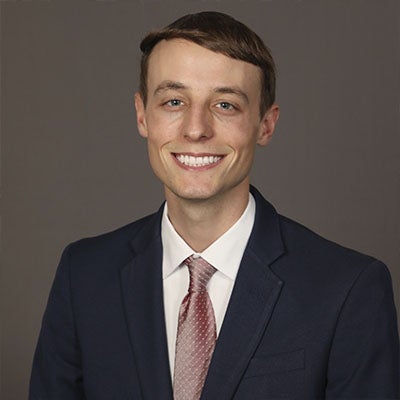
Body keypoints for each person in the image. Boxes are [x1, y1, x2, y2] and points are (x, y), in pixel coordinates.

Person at [29, 11, 399, 400]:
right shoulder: (83, 275)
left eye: (225, 105)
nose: (195, 128)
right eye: (173, 101)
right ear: (142, 115)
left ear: (265, 125)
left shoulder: (349, 289)